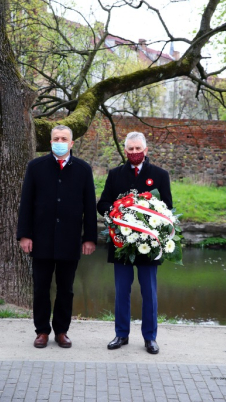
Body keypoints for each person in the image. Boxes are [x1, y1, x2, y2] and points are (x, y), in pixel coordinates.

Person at [17, 125, 97, 349]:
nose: (59, 141)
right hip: (40, 239)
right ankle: (42, 330)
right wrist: (24, 235)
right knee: (41, 287)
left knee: (66, 289)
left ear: (71, 143)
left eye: (64, 138)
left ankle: (61, 331)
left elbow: (90, 206)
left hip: (70, 240)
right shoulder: (36, 167)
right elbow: (26, 204)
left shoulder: (83, 169)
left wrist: (89, 237)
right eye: (56, 138)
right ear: (50, 142)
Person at [97, 131, 172, 354]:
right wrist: (116, 212)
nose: (134, 153)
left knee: (149, 292)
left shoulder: (159, 175)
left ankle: (150, 338)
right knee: (121, 291)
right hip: (121, 244)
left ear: (146, 150)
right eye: (130, 149)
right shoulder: (115, 174)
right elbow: (102, 204)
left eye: (138, 149)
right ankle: (121, 335)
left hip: (149, 246)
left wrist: (150, 219)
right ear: (125, 151)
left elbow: (167, 207)